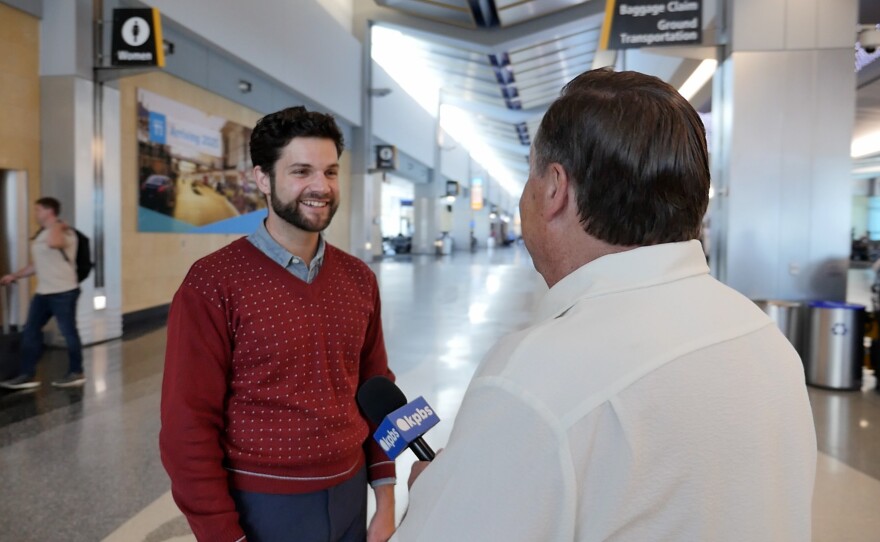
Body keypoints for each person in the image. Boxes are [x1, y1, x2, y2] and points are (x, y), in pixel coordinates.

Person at [394, 69, 816, 541]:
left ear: (555, 187)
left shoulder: (534, 382)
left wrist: (445, 500)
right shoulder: (761, 336)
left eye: (530, 172)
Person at [159, 106, 396, 542]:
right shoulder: (213, 284)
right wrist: (223, 534)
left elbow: (376, 384)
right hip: (263, 503)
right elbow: (186, 425)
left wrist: (385, 496)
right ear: (263, 179)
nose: (321, 187)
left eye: (330, 171)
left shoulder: (359, 278)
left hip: (350, 493)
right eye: (301, 171)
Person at [0, 197, 85, 389]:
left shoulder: (65, 232)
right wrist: (15, 275)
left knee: (68, 332)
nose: (35, 214)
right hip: (43, 292)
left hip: (64, 291)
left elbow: (54, 243)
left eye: (38, 210)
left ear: (50, 211)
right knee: (30, 330)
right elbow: (36, 265)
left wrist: (57, 224)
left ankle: (76, 371)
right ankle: (27, 374)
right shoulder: (42, 234)